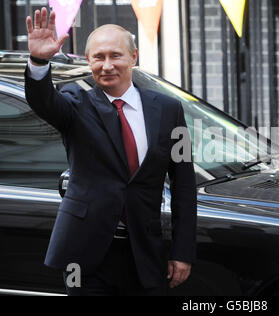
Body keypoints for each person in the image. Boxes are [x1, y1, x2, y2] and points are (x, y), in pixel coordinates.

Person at [24, 7, 197, 296]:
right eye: (98, 57)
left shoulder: (168, 110)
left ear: (133, 57)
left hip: (145, 252)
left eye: (115, 55)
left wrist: (183, 250)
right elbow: (44, 102)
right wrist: (39, 62)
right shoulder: (75, 103)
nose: (107, 65)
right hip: (84, 255)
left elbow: (184, 184)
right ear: (89, 62)